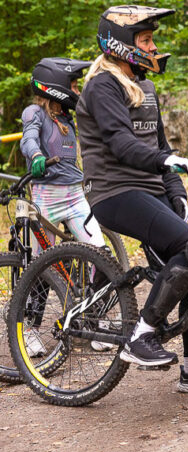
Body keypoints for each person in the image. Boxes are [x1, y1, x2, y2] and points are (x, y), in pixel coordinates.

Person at [76, 5, 188, 394]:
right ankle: (141, 336)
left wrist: (176, 192)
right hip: (114, 191)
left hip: (148, 191)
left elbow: (158, 145)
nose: (153, 46)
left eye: (152, 39)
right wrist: (168, 160)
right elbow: (122, 144)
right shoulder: (103, 86)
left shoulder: (144, 86)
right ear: (121, 43)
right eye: (146, 40)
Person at [20, 57, 109, 355]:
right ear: (55, 86)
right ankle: (29, 330)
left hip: (75, 196)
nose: (77, 89)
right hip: (46, 196)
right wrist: (35, 157)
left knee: (101, 254)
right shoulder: (35, 113)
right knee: (40, 268)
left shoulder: (69, 117)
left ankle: (94, 320)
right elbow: (28, 139)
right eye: (73, 84)